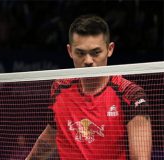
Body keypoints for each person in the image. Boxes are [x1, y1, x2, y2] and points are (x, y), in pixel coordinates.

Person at [26, 15, 152, 160]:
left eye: (95, 52)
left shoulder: (130, 94)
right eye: (80, 53)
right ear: (70, 51)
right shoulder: (60, 88)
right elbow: (49, 140)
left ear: (110, 49)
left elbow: (140, 157)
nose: (88, 61)